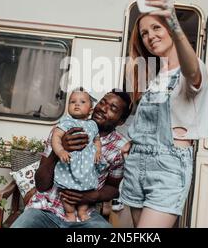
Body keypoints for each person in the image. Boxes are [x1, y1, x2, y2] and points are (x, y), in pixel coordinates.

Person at [119, 0, 208, 228]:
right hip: (137, 163)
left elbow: (192, 73)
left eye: (156, 28)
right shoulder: (155, 75)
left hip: (167, 166)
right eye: (144, 33)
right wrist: (130, 142)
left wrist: (175, 22)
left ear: (170, 29)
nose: (150, 37)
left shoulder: (193, 68)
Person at [11, 89, 132, 228]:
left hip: (84, 215)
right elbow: (41, 185)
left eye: (113, 108)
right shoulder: (63, 130)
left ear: (121, 121)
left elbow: (113, 188)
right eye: (102, 102)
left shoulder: (120, 147)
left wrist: (92, 196)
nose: (103, 108)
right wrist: (59, 150)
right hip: (45, 209)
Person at [51, 88, 102, 222]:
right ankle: (69, 213)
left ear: (90, 110)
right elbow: (55, 138)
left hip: (87, 167)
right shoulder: (66, 122)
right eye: (72, 102)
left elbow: (97, 140)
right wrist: (61, 151)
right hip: (70, 164)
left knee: (86, 189)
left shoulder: (93, 125)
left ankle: (82, 211)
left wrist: (98, 151)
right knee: (67, 190)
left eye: (82, 102)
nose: (76, 104)